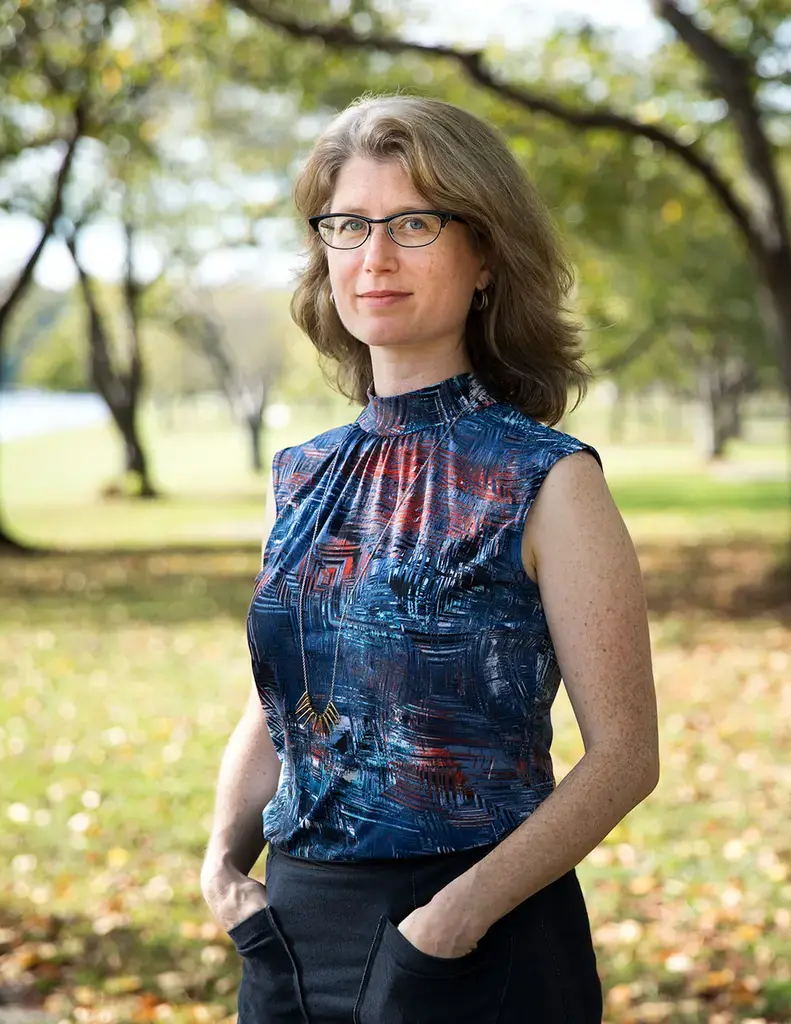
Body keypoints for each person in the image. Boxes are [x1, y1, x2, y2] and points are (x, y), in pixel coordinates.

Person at [200, 94, 659, 1024]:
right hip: (288, 938)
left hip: (474, 942)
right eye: (349, 225)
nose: (374, 257)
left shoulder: (550, 480)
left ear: (484, 255)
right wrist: (221, 866)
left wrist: (448, 924)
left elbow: (625, 759)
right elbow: (279, 698)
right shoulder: (299, 475)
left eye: (413, 223)